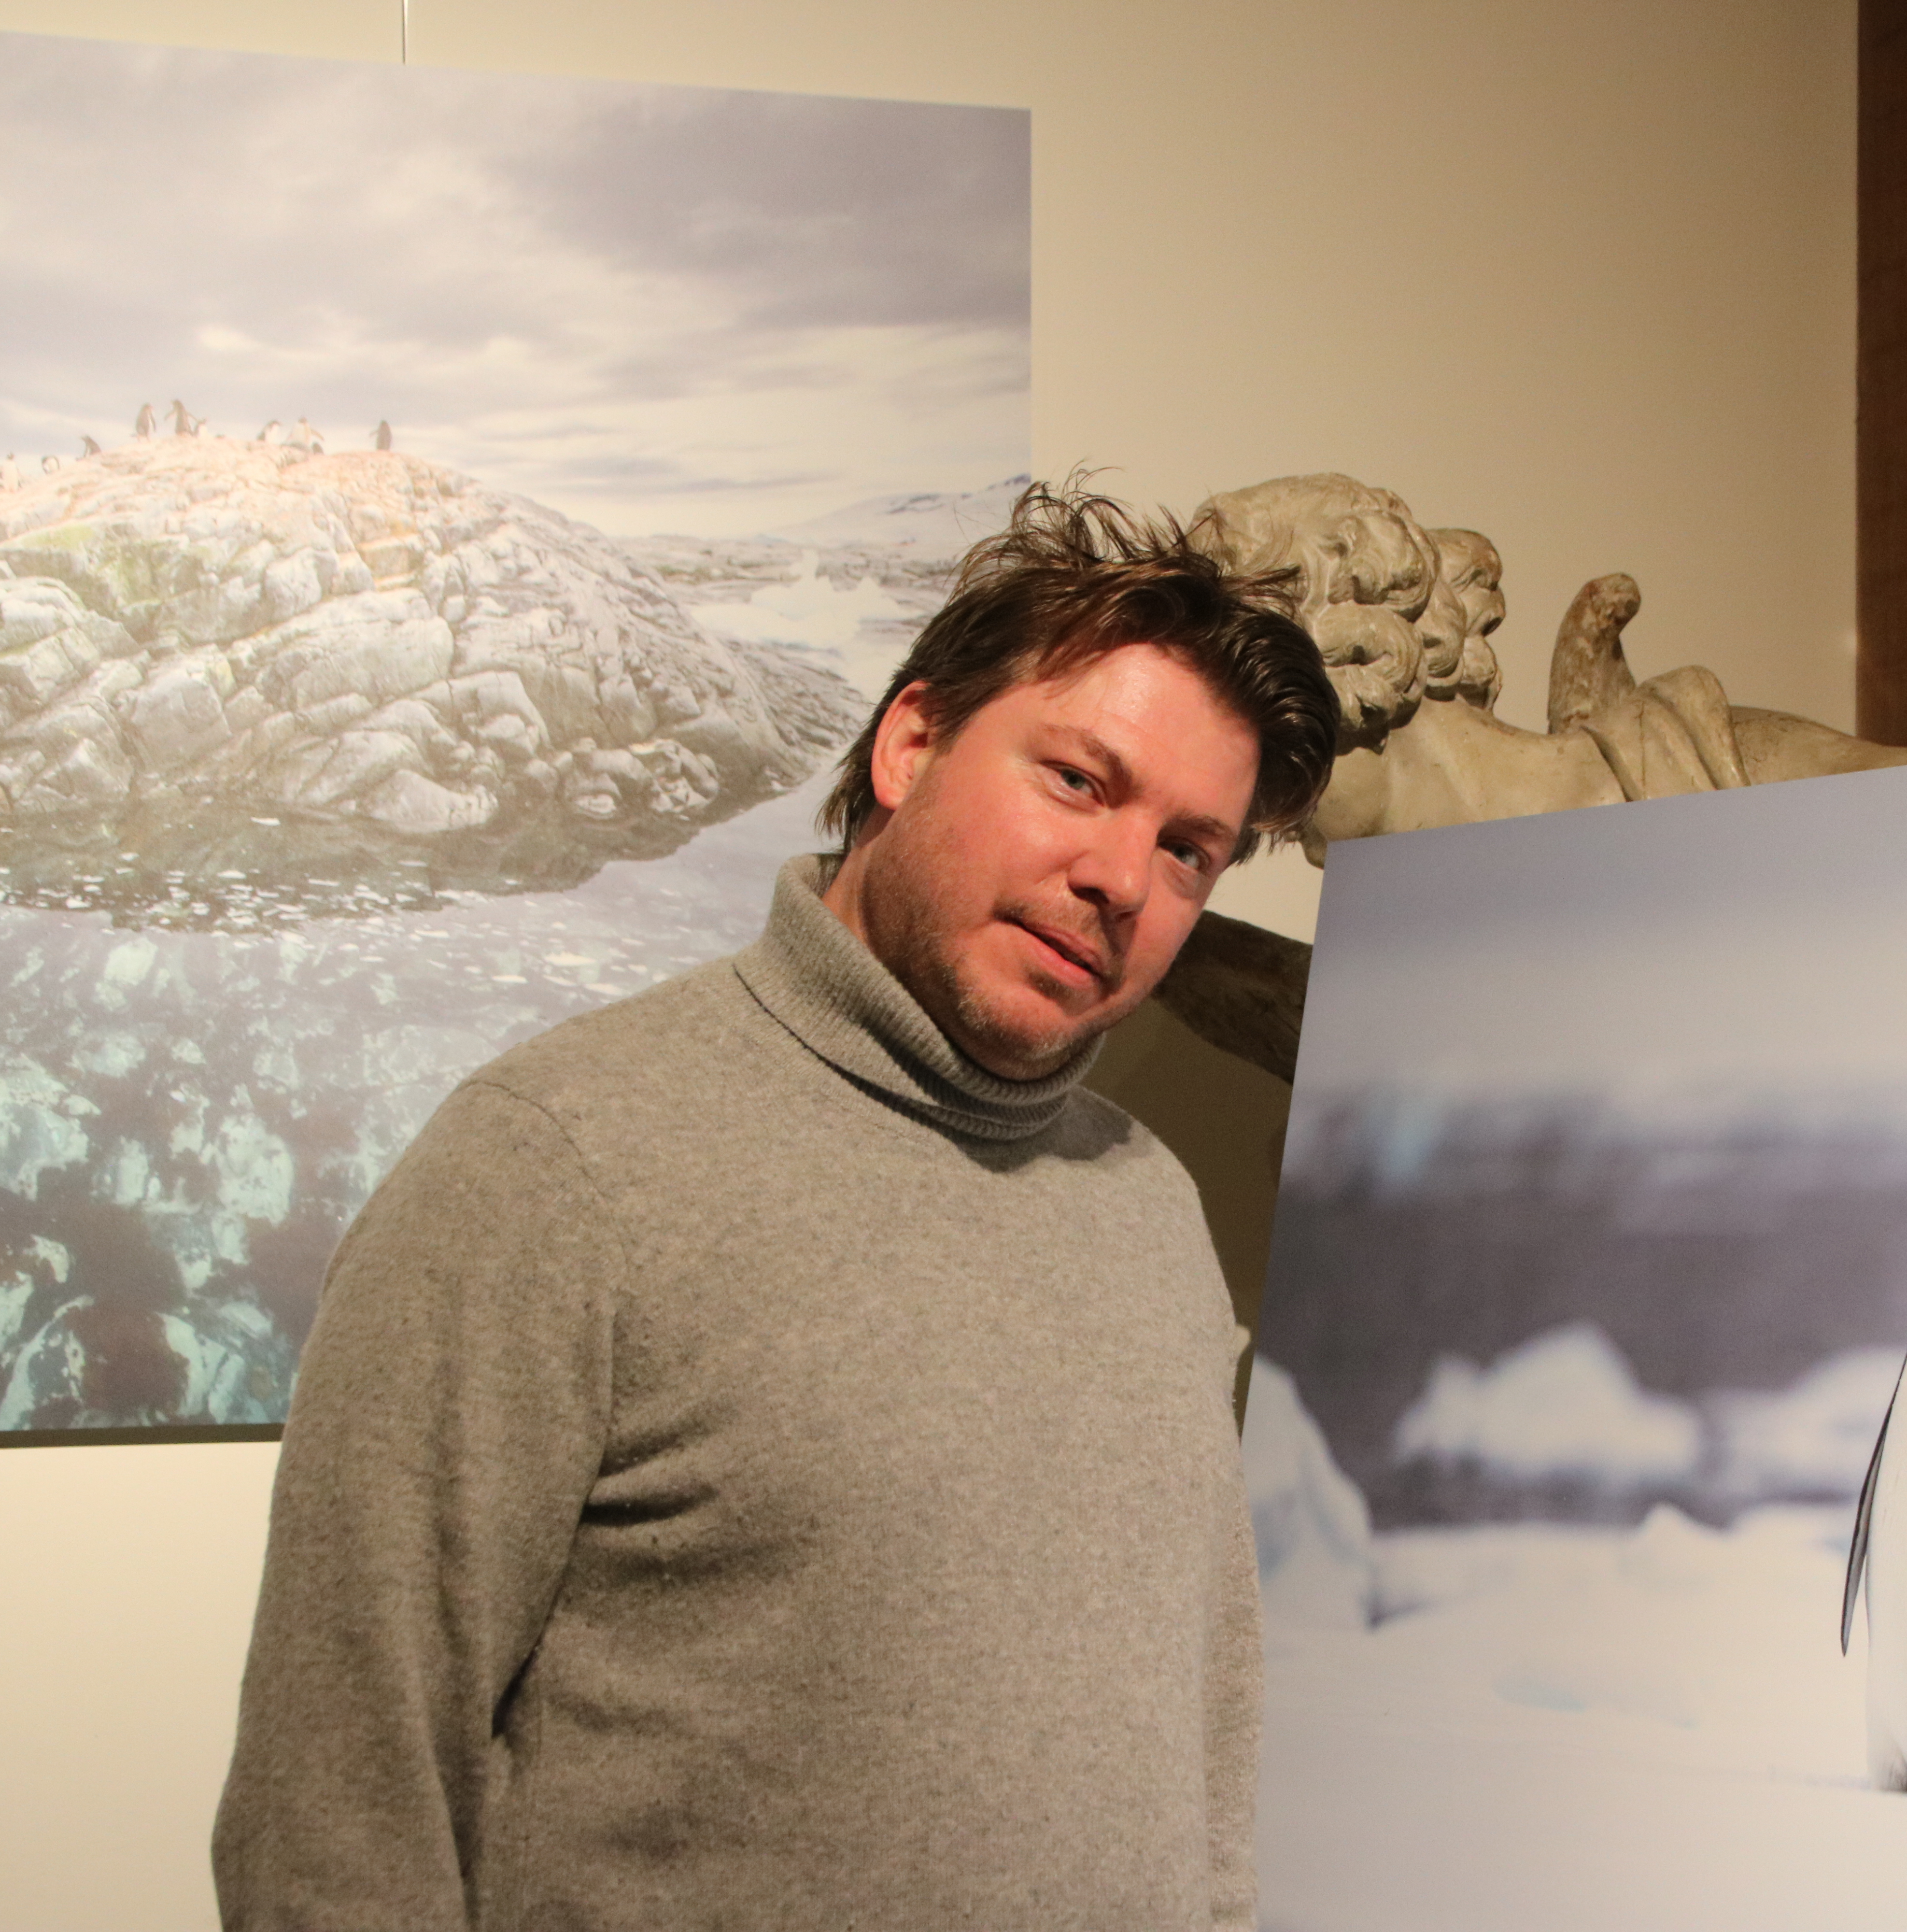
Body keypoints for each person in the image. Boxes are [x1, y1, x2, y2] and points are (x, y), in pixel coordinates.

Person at [212, 483, 1337, 1931]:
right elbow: (333, 1821)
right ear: (911, 741)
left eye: (1189, 848)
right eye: (1078, 780)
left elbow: (1207, 1744)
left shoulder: (1149, 1208)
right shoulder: (555, 1167)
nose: (1120, 878)